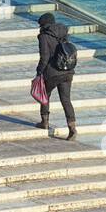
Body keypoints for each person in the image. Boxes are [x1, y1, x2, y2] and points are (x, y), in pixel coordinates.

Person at [35, 12, 76, 140]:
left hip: (52, 73)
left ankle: (45, 122)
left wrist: (39, 71)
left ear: (43, 25)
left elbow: (45, 57)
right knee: (66, 100)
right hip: (67, 72)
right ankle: (72, 129)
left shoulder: (44, 37)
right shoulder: (63, 32)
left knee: (45, 95)